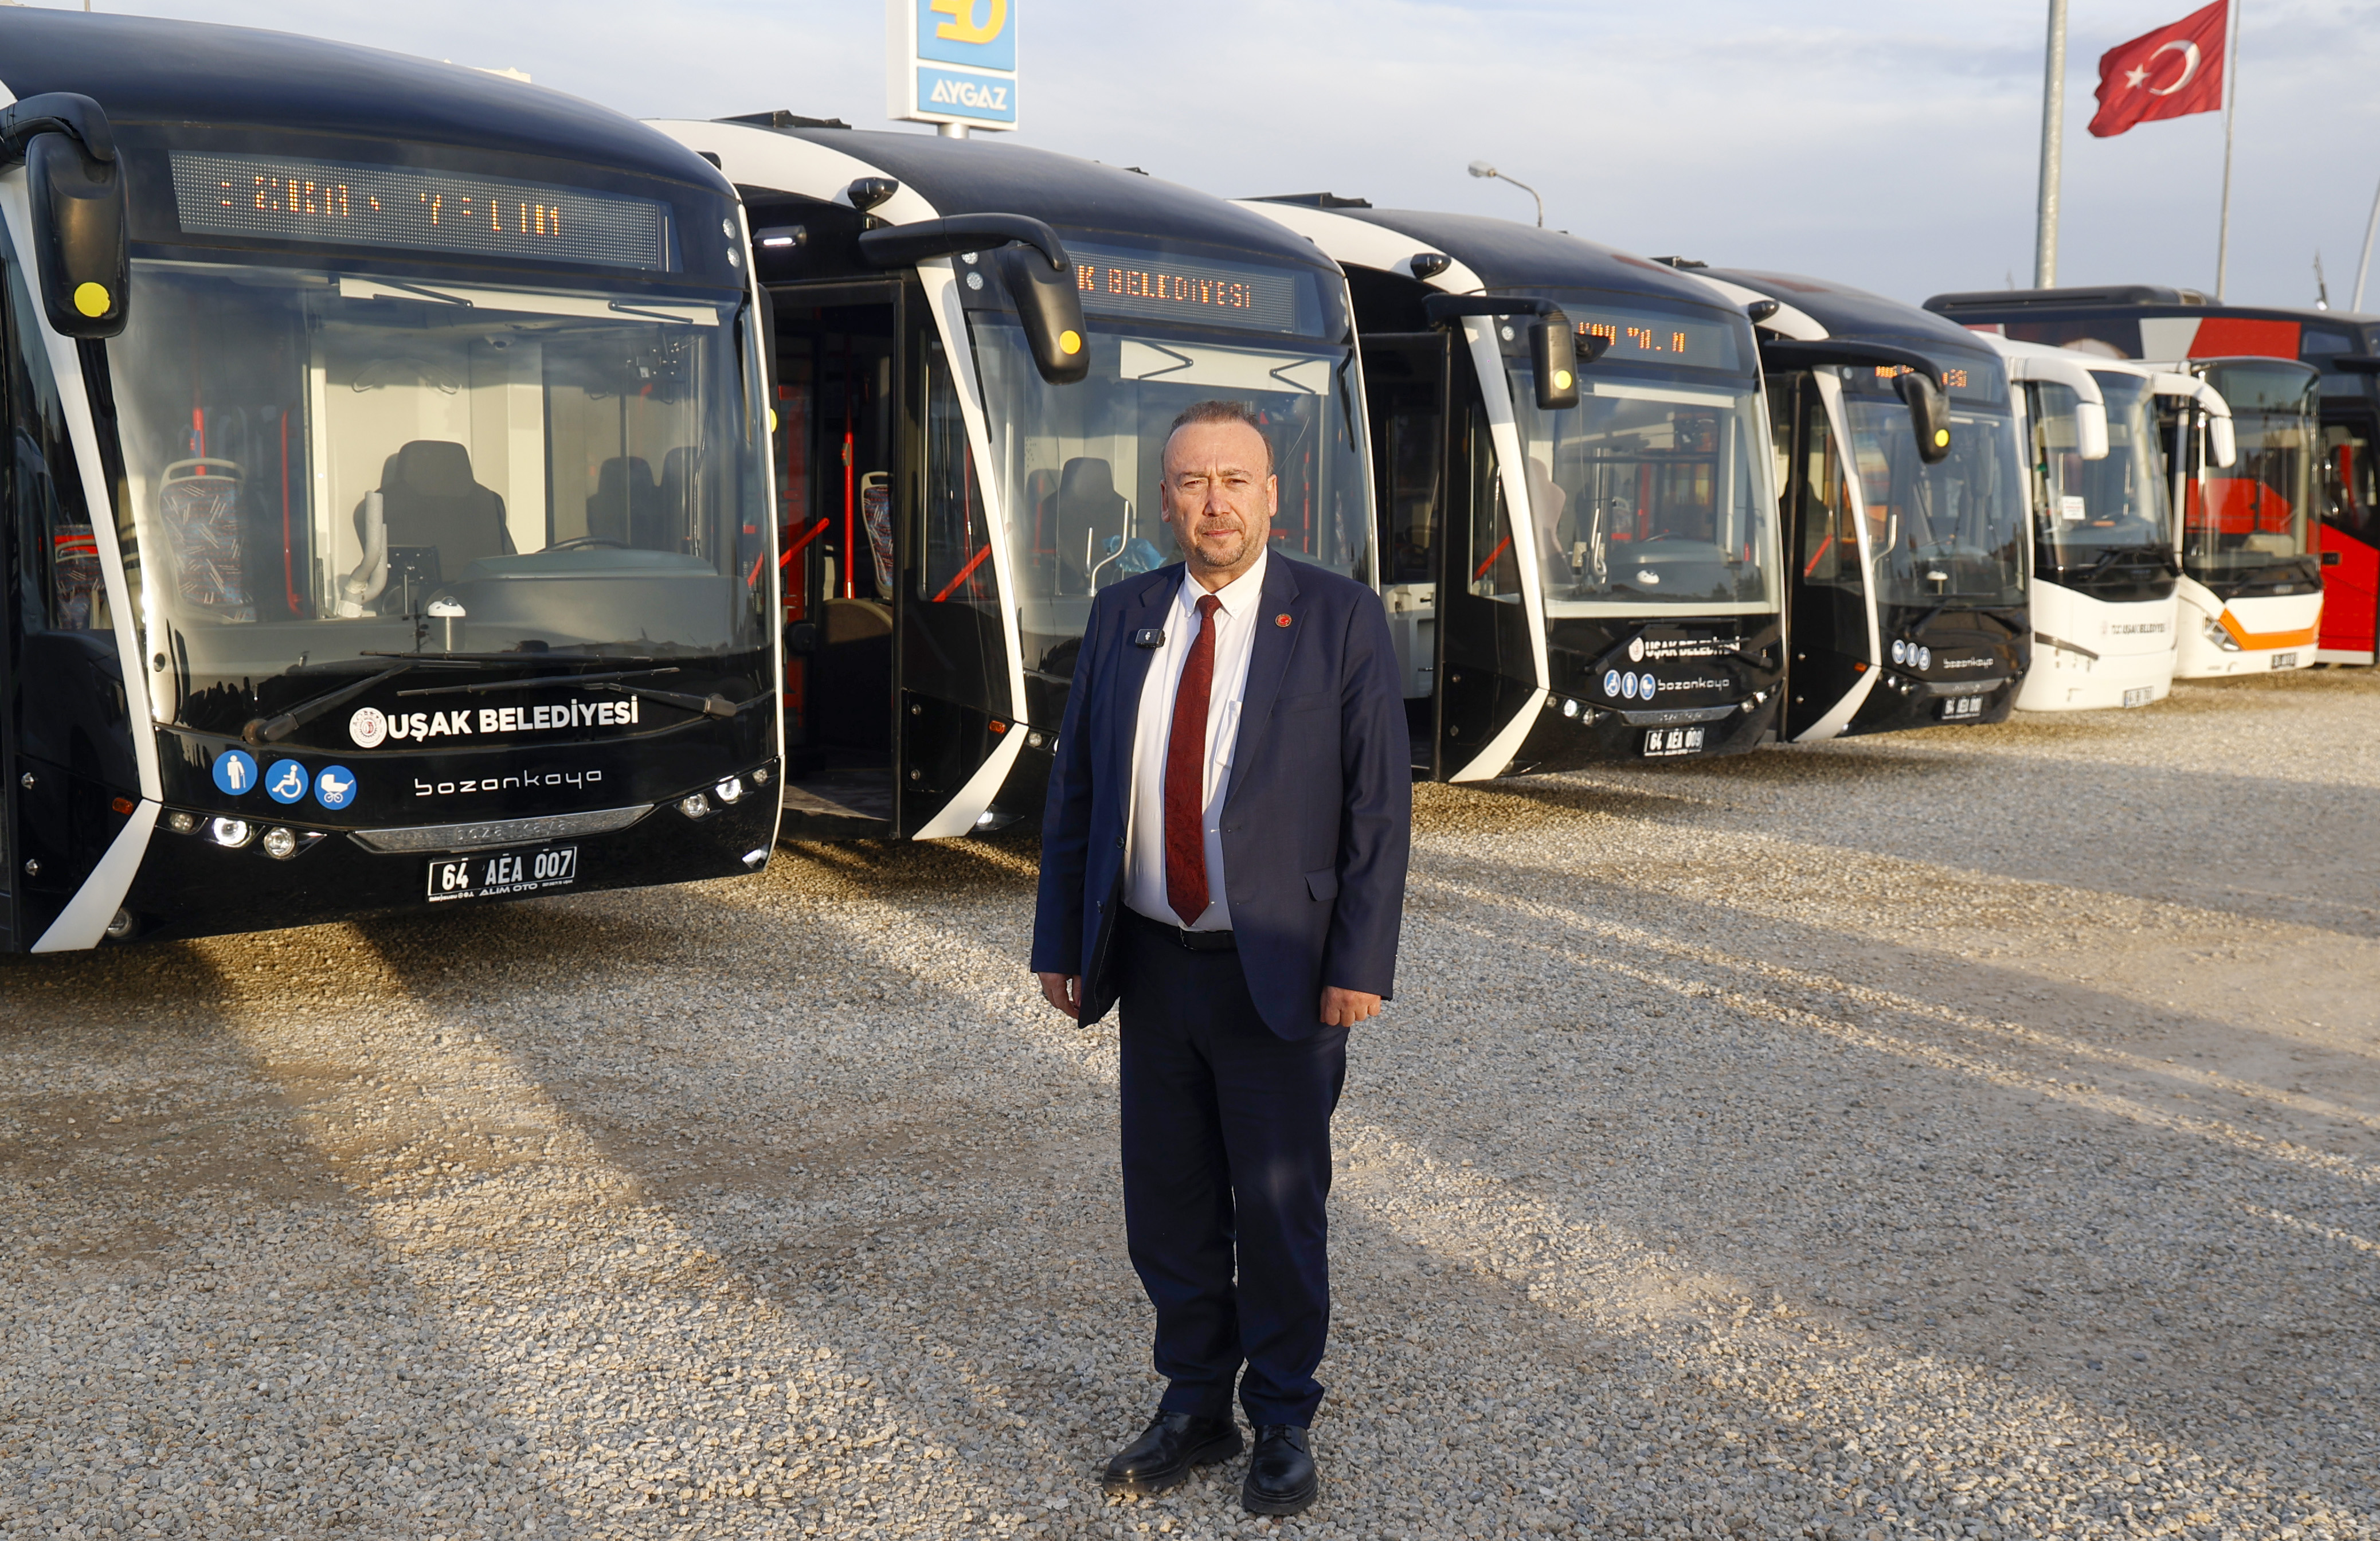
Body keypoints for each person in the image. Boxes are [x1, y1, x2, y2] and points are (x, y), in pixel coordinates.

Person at [1031, 400, 1411, 1516]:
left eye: (1234, 481)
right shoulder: (1123, 614)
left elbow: (1377, 810)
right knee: (1170, 1200)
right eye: (1192, 482)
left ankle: (1282, 1417)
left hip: (1279, 969)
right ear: (1164, 499)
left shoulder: (1337, 617)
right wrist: (1061, 939)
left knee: (1279, 1205)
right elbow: (1078, 790)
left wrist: (1359, 963)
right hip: (1152, 963)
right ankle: (1195, 1403)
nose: (1214, 503)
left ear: (1273, 495)